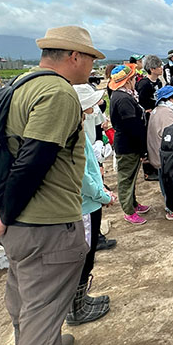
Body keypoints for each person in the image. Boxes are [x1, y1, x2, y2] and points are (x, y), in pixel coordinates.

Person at [0, 25, 103, 345]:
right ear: (74, 56)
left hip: (22, 227)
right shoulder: (58, 94)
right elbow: (32, 161)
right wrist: (5, 213)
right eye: (90, 58)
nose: (91, 66)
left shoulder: (21, 85)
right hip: (45, 226)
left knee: (25, 302)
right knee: (41, 313)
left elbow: (3, 156)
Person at [67, 85, 115, 326]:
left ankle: (81, 300)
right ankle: (76, 309)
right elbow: (82, 176)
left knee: (88, 254)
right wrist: (102, 195)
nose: (95, 106)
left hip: (90, 201)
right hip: (85, 205)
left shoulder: (77, 127)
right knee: (82, 256)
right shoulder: (72, 133)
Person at [109, 64, 150, 225]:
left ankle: (133, 203)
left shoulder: (122, 95)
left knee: (131, 176)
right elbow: (132, 126)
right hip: (128, 145)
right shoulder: (124, 99)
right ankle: (128, 210)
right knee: (126, 178)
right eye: (133, 78)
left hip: (129, 143)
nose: (135, 81)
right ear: (127, 81)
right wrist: (142, 149)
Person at [146, 85, 173, 221]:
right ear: (168, 99)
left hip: (156, 154)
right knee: (170, 183)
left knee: (164, 181)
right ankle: (172, 209)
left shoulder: (157, 111)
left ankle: (171, 206)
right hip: (165, 157)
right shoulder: (166, 113)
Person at [136, 54, 164, 181]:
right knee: (148, 141)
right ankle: (148, 171)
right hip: (147, 117)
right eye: (158, 66)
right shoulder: (144, 83)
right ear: (152, 69)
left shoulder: (158, 82)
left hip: (156, 114)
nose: (161, 68)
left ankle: (155, 166)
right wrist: (147, 110)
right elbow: (140, 102)